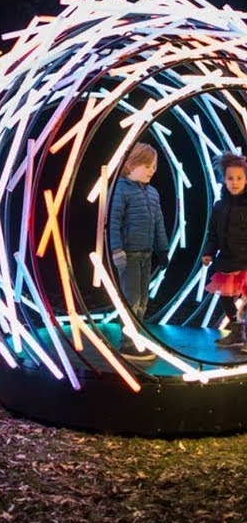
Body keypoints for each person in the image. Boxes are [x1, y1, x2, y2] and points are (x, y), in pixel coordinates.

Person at [109, 141, 169, 361]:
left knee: (143, 300)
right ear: (131, 164)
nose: (152, 170)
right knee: (131, 299)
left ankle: (136, 339)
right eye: (147, 165)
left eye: (154, 167)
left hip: (147, 254)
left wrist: (163, 250)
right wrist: (116, 250)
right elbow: (113, 222)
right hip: (129, 255)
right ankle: (127, 343)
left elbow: (159, 223)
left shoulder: (152, 193)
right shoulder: (120, 190)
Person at [203, 153, 247, 348]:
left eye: (239, 178)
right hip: (227, 262)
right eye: (230, 178)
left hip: (245, 261)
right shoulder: (220, 206)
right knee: (227, 300)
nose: (234, 182)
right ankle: (237, 333)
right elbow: (213, 234)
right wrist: (208, 253)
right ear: (224, 179)